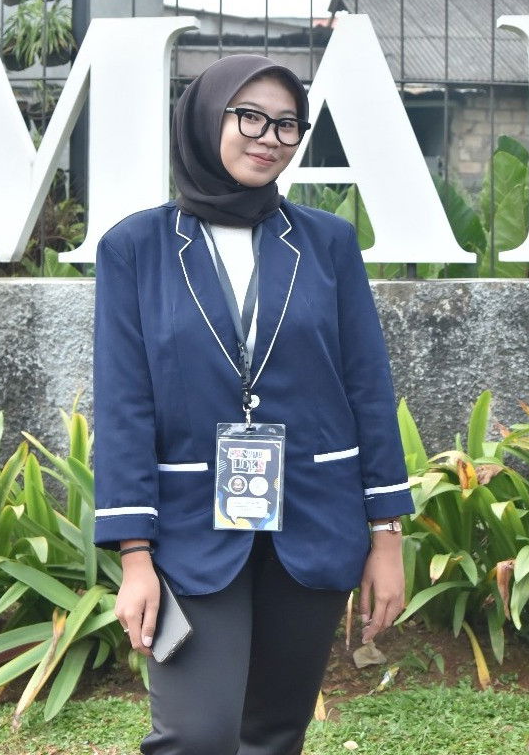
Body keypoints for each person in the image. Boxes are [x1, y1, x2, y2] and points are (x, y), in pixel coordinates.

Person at [92, 54, 414, 755]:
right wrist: (134, 555)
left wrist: (387, 535)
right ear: (206, 120)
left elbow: (367, 386)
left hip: (314, 516)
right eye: (250, 117)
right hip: (188, 532)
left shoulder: (327, 242)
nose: (269, 138)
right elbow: (124, 405)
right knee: (197, 735)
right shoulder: (135, 248)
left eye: (287, 124)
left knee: (273, 734)